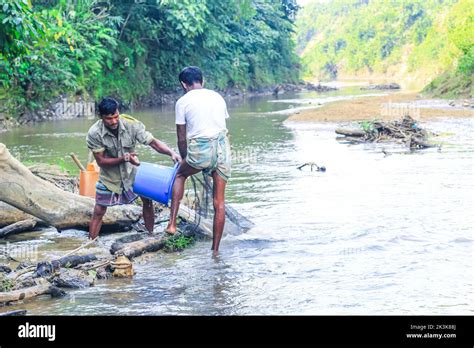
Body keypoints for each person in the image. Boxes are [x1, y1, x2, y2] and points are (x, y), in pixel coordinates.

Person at [86, 97, 181, 239]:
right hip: (109, 177)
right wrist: (124, 158)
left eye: (116, 116)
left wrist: (171, 153)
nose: (113, 121)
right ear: (101, 117)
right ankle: (91, 243)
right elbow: (101, 161)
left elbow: (153, 143)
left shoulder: (131, 125)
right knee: (99, 209)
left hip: (132, 173)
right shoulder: (94, 133)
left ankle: (150, 235)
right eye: (109, 119)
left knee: (147, 201)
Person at [165, 66, 231, 255]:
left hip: (201, 149)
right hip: (222, 149)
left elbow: (181, 137)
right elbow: (220, 126)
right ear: (202, 81)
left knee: (179, 175)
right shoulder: (217, 97)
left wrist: (185, 159)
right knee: (219, 202)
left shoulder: (183, 102)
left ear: (184, 85)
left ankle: (171, 224)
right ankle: (215, 251)